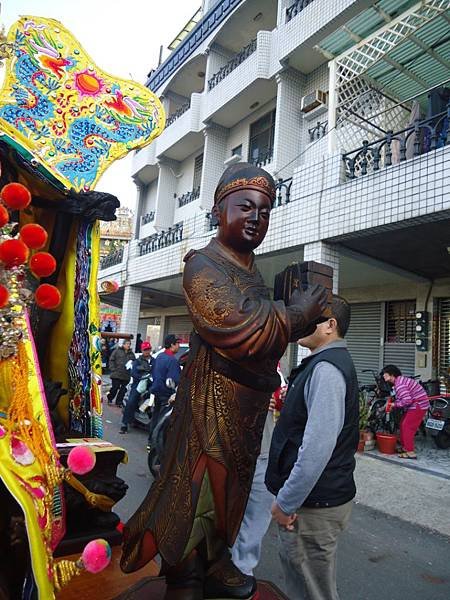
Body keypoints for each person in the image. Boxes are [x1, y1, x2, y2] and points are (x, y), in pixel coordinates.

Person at [121, 162, 328, 600]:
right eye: (246, 207)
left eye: (265, 210)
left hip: (246, 408)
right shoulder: (203, 265)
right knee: (198, 487)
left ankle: (215, 562)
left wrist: (283, 321)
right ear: (219, 210)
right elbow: (239, 329)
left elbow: (265, 340)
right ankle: (184, 573)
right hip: (209, 403)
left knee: (232, 489)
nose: (256, 217)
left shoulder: (250, 273)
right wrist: (295, 315)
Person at [265, 296, 359, 600]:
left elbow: (317, 448)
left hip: (314, 507)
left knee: (311, 591)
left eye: (311, 318)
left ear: (331, 326)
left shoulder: (327, 369)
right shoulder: (321, 364)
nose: (301, 322)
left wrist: (286, 503)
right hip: (317, 501)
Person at [381, 365, 429, 459]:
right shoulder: (399, 381)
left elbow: (407, 400)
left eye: (385, 374)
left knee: (407, 426)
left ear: (392, 375)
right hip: (415, 406)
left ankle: (410, 452)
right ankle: (405, 447)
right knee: (403, 424)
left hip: (418, 406)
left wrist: (394, 405)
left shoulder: (400, 385)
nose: (383, 376)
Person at [147, 334, 181, 444]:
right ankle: (156, 443)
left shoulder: (159, 357)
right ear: (172, 345)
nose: (179, 346)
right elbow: (173, 380)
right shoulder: (172, 361)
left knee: (156, 417)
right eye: (178, 343)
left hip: (156, 390)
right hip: (166, 394)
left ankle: (150, 442)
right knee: (162, 420)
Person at [120, 341, 153, 434]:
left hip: (151, 385)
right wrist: (143, 376)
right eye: (145, 350)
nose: (147, 351)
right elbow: (134, 373)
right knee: (131, 401)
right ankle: (124, 424)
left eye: (148, 349)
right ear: (142, 350)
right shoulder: (137, 361)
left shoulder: (154, 361)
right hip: (138, 385)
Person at [107, 340, 135, 407]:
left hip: (126, 374)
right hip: (117, 373)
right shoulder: (117, 351)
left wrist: (132, 364)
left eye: (129, 344)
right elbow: (111, 360)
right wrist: (112, 368)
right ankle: (110, 398)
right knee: (115, 388)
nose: (128, 345)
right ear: (123, 344)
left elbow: (134, 362)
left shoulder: (131, 354)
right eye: (127, 344)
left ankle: (119, 402)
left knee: (123, 390)